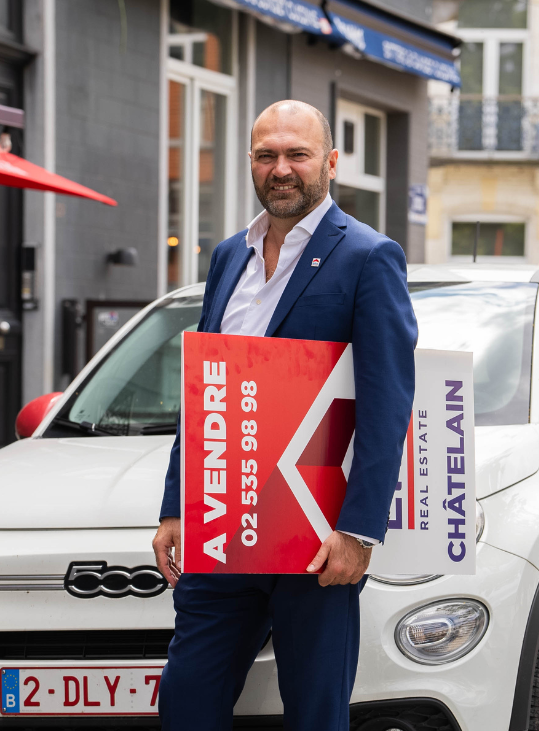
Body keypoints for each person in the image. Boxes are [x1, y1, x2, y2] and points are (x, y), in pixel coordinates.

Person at [152, 99, 417, 731]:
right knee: (187, 703)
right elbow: (203, 387)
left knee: (314, 715)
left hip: (314, 535)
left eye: (297, 154)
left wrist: (360, 531)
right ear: (250, 162)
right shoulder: (227, 259)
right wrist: (174, 504)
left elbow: (388, 402)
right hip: (223, 527)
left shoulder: (367, 257)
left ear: (328, 163)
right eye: (267, 154)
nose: (281, 168)